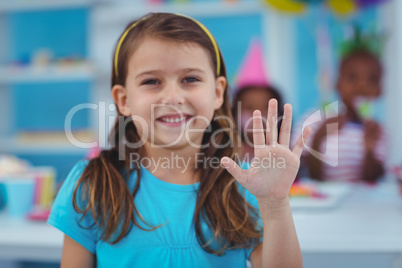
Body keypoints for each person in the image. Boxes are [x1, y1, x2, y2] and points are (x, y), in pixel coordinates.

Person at [47, 13, 310, 268]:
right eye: (152, 81)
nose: (173, 97)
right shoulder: (92, 184)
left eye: (190, 79)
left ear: (218, 92)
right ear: (123, 99)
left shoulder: (247, 186)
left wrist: (275, 205)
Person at [292, 34, 386, 183]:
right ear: (337, 84)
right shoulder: (314, 120)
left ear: (380, 90)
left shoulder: (377, 131)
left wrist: (369, 150)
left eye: (372, 79)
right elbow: (304, 173)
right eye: (352, 77)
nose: (361, 85)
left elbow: (372, 178)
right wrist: (318, 137)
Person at [231, 39, 284, 161]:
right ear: (234, 112)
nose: (258, 114)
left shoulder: (284, 152)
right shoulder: (228, 154)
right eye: (249, 107)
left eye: (266, 107)